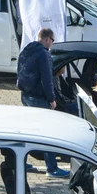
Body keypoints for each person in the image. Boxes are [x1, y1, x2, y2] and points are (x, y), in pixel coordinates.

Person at [16, 28, 69, 177]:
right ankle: (52, 168)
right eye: (52, 40)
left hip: (25, 95)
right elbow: (47, 79)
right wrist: (52, 99)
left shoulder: (27, 50)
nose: (52, 43)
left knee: (28, 131)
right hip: (38, 98)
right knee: (48, 133)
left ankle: (20, 162)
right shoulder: (44, 54)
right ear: (47, 39)